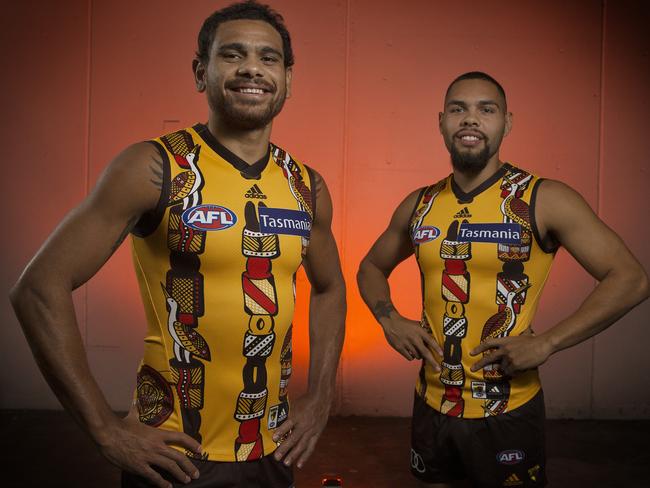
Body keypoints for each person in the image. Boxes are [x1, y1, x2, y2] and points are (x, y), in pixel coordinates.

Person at [10, 1, 346, 487]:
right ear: (200, 71)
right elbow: (38, 288)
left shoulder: (305, 186)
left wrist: (320, 397)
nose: (252, 67)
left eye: (268, 58)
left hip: (273, 448)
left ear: (288, 79)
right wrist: (104, 429)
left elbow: (331, 287)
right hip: (174, 456)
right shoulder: (154, 168)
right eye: (232, 55)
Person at [356, 71, 648, 488]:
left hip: (507, 411)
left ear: (507, 123)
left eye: (486, 109)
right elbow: (370, 267)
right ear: (442, 122)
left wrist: (548, 342)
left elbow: (631, 278)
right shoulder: (420, 204)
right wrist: (389, 318)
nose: (470, 119)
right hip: (432, 404)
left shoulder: (542, 198)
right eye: (458, 109)